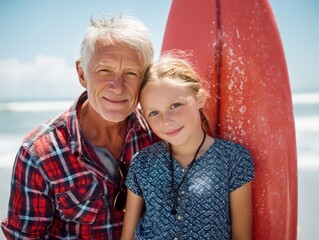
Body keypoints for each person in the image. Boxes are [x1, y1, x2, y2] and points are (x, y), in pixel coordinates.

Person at [1, 15, 159, 239]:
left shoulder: (159, 134)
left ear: (144, 78)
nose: (118, 87)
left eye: (131, 73)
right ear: (82, 74)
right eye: (104, 70)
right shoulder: (38, 154)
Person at [121, 51, 255, 240]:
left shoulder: (233, 158)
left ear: (199, 98)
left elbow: (241, 236)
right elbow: (128, 236)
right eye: (154, 113)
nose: (166, 121)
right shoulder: (142, 162)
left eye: (175, 105)